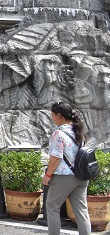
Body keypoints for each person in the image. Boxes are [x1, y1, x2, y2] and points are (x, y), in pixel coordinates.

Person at [42, 101, 91, 235]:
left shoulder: (59, 133)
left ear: (59, 115)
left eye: (53, 115)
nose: (52, 118)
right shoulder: (79, 131)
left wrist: (47, 175)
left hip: (64, 176)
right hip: (81, 176)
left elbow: (55, 158)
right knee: (81, 211)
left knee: (52, 206)